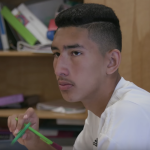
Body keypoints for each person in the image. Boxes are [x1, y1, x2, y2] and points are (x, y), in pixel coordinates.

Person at [8, 3, 150, 150]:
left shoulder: (128, 114)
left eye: (75, 53)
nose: (59, 70)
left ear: (111, 62)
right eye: (56, 54)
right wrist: (35, 142)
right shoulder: (98, 112)